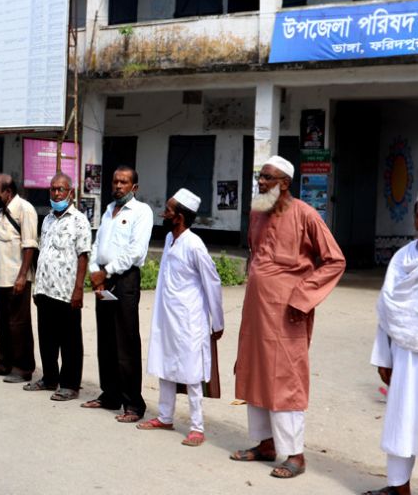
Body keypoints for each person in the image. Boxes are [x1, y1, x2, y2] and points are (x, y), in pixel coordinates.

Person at [230, 155, 345, 479]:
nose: (261, 182)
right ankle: (265, 444)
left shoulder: (306, 215)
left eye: (268, 178)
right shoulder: (257, 212)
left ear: (285, 183)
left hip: (288, 313)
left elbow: (334, 260)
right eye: (260, 177)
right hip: (257, 311)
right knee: (255, 374)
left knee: (286, 380)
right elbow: (257, 254)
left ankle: (295, 454)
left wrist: (303, 297)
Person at [138, 189, 224, 447]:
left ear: (180, 216)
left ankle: (197, 427)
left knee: (192, 373)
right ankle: (165, 417)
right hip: (167, 318)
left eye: (169, 209)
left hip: (190, 321)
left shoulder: (194, 244)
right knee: (165, 367)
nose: (164, 213)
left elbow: (213, 282)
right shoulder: (168, 239)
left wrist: (217, 321)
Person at [84, 165, 153, 423]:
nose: (118, 186)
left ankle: (133, 403)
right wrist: (94, 270)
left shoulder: (141, 211)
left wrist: (108, 272)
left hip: (124, 280)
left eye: (124, 182)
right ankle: (110, 394)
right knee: (106, 338)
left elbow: (135, 251)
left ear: (134, 187)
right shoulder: (107, 211)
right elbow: (97, 243)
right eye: (115, 182)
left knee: (126, 341)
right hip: (102, 276)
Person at [366, 200, 418, 495]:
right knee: (401, 420)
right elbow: (387, 310)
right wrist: (383, 358)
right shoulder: (402, 258)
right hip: (403, 353)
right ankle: (399, 488)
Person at [25, 173, 90, 401]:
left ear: (70, 192)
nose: (56, 193)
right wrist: (37, 286)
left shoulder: (79, 220)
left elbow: (83, 256)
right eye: (53, 189)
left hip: (66, 291)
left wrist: (79, 289)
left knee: (70, 340)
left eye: (61, 189)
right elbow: (43, 253)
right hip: (45, 289)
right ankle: (49, 378)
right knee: (47, 337)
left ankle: (70, 384)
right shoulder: (48, 219)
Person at [0, 173, 37, 383]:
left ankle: (23, 368)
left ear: (8, 192)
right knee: (3, 322)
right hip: (1, 277)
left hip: (16, 278)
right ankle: (4, 363)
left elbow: (29, 245)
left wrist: (22, 276)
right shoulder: (3, 211)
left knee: (19, 324)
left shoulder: (25, 209)